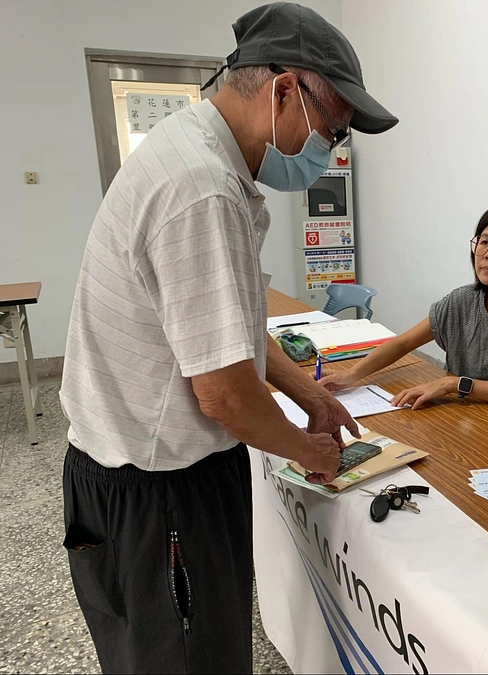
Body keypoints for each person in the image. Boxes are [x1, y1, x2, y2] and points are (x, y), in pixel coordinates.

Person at [58, 4, 397, 673]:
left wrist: (307, 392)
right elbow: (223, 394)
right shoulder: (203, 189)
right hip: (160, 491)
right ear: (283, 91)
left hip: (124, 477)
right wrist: (307, 450)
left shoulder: (191, 150)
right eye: (332, 129)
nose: (331, 151)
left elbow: (219, 330)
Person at [321, 204, 488, 409]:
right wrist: (351, 375)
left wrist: (454, 385)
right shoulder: (461, 302)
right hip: (469, 420)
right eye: (484, 242)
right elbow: (403, 343)